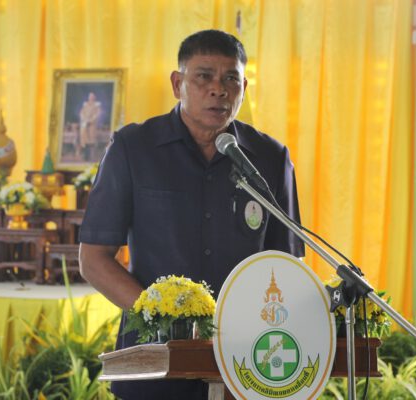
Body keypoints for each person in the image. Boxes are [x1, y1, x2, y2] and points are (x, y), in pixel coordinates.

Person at [79, 29, 304, 400]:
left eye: (231, 79)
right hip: (154, 359)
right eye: (204, 76)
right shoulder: (134, 148)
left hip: (246, 359)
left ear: (244, 87)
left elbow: (286, 263)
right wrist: (163, 318)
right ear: (177, 83)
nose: (219, 90)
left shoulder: (269, 158)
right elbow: (93, 259)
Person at [79, 92, 102, 161]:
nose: (91, 98)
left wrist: (91, 120)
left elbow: (97, 114)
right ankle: (85, 156)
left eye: (92, 97)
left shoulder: (97, 105)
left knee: (91, 142)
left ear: (94, 98)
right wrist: (84, 119)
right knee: (84, 141)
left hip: (92, 125)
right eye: (90, 96)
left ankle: (91, 157)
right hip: (85, 125)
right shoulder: (85, 105)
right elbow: (81, 113)